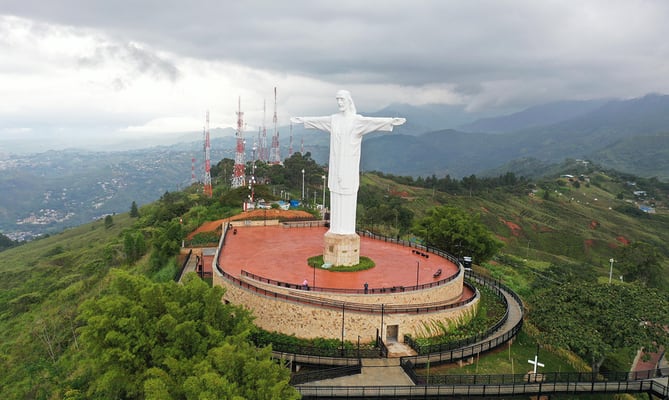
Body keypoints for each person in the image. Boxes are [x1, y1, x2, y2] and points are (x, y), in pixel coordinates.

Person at [291, 90, 405, 235]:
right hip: (336, 165)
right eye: (337, 100)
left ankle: (347, 230)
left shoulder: (357, 121)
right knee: (336, 194)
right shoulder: (334, 120)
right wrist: (303, 120)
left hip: (349, 166)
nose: (339, 103)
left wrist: (390, 121)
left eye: (342, 100)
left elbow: (373, 122)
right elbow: (319, 120)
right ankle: (335, 229)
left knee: (348, 195)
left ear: (349, 101)